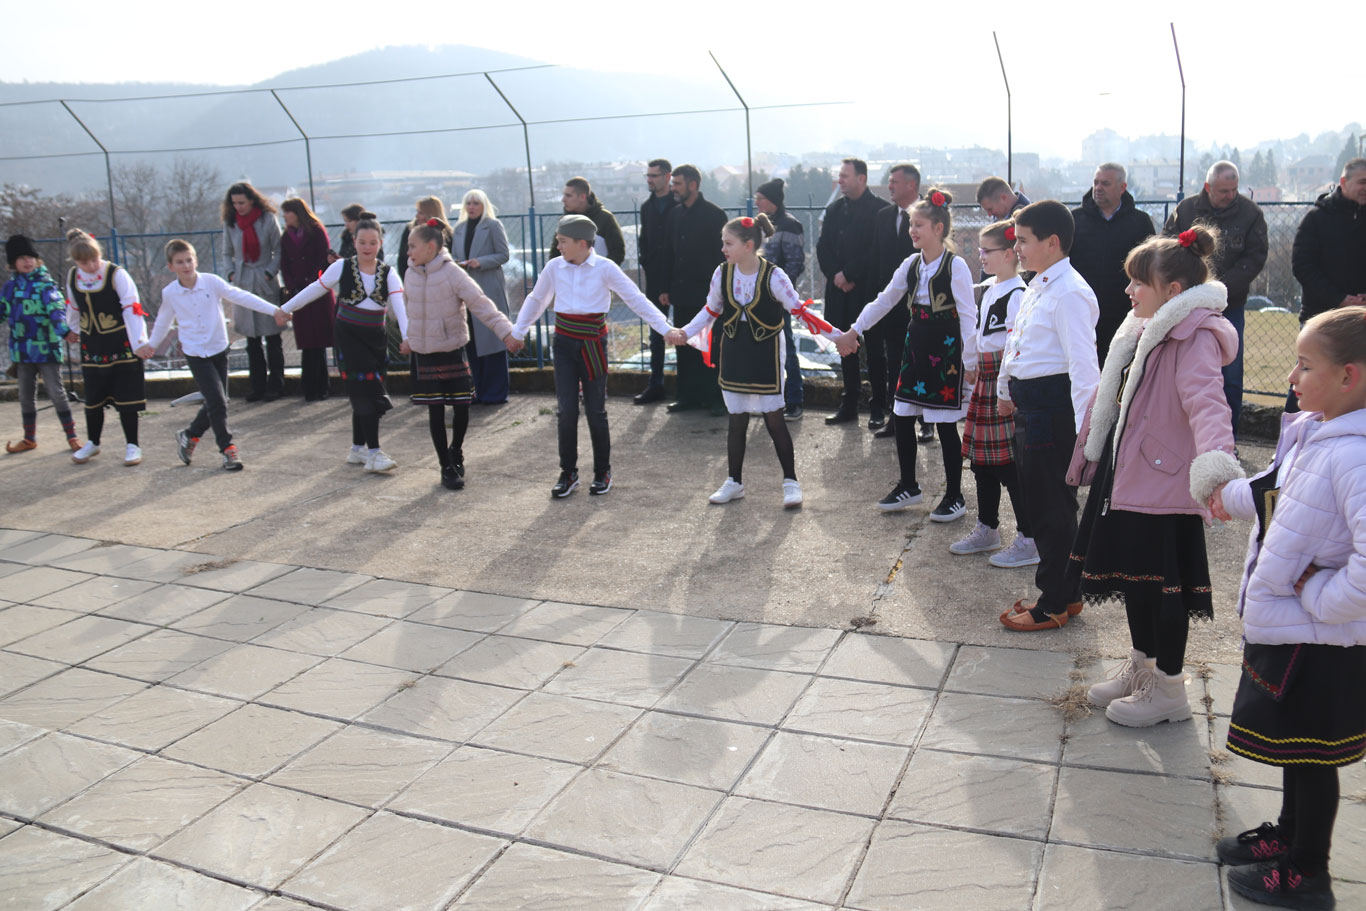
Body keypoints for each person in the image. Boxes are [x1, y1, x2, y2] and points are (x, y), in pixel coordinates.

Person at [1207, 306, 1366, 910]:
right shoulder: (1320, 432)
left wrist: (1320, 597)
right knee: (1297, 749)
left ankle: (1307, 872)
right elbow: (1276, 493)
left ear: (1348, 376)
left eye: (1304, 366)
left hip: (1322, 638)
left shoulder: (1355, 455)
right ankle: (1289, 834)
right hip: (1295, 628)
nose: (1291, 378)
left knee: (1313, 756)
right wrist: (1225, 497)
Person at [1064, 226, 1242, 723]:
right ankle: (1143, 668)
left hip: (1163, 484)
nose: (1128, 290)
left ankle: (1169, 690)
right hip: (1132, 475)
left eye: (1139, 282)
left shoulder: (1194, 337)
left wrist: (1217, 471)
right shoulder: (1144, 329)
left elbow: (1208, 404)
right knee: (1134, 581)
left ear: (1173, 291)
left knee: (1162, 589)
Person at [508, 214, 678, 497]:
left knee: (596, 411)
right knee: (566, 411)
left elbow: (635, 298)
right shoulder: (554, 267)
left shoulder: (605, 268)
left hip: (593, 344)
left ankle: (602, 472)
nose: (558, 246)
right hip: (563, 343)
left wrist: (665, 328)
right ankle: (568, 473)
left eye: (563, 241)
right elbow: (537, 299)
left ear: (582, 243)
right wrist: (518, 331)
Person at [837, 189, 976, 521]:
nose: (912, 230)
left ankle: (955, 495)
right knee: (901, 414)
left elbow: (968, 315)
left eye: (919, 225)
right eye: (912, 224)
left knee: (945, 424)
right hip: (916, 346)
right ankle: (909, 485)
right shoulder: (911, 264)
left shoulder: (955, 267)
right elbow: (885, 299)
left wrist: (970, 361)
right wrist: (855, 329)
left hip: (945, 350)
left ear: (938, 228)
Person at [995, 201, 1100, 631]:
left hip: (1053, 413)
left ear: (1052, 242)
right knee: (1043, 504)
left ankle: (1053, 602)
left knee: (1051, 509)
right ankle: (1067, 593)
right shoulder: (1040, 284)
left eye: (1023, 240)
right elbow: (1019, 342)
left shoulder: (1069, 292)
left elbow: (1083, 369)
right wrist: (1005, 388)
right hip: (1032, 409)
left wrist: (1086, 435)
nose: (1016, 248)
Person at [667, 214, 804, 508]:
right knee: (737, 419)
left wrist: (836, 336)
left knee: (774, 419)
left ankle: (791, 482)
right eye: (723, 243)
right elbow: (710, 310)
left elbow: (799, 310)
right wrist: (685, 332)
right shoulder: (722, 273)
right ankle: (734, 482)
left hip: (766, 352)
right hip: (734, 350)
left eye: (728, 243)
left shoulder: (774, 276)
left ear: (748, 245)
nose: (723, 249)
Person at [139, 239, 286, 471]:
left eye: (189, 260)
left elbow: (241, 296)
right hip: (196, 354)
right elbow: (163, 322)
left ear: (195, 261)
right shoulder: (170, 293)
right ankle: (227, 449)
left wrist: (274, 311)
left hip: (218, 349)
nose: (186, 266)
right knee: (217, 401)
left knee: (217, 401)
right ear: (171, 266)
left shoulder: (211, 282)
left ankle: (190, 435)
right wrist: (151, 345)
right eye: (180, 262)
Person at [401, 219, 521, 490]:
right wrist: (408, 338)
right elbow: (406, 309)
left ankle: (456, 449)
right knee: (434, 411)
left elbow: (481, 303)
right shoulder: (410, 273)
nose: (408, 252)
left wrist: (506, 332)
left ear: (430, 247)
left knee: (461, 406)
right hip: (424, 353)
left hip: (452, 349)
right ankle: (446, 466)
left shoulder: (453, 273)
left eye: (412, 246)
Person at [280, 217, 407, 473]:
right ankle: (374, 454)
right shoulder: (341, 266)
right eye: (362, 242)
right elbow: (315, 289)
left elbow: (400, 307)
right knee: (366, 392)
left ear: (381, 243)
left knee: (365, 392)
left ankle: (357, 448)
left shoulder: (389, 273)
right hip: (348, 338)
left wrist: (407, 336)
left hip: (376, 340)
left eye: (373, 242)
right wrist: (285, 308)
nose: (367, 247)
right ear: (354, 242)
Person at [951, 221, 1038, 568]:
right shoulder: (991, 290)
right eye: (980, 250)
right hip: (985, 380)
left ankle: (1029, 537)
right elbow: (978, 332)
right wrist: (971, 363)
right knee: (982, 463)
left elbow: (1017, 345)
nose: (981, 256)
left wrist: (1006, 387)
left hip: (1003, 383)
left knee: (1008, 465)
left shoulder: (1017, 294)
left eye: (987, 251)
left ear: (1009, 254)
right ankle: (987, 528)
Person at [1164, 160, 1268, 435]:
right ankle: (1181, 437)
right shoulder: (1186, 210)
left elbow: (1255, 257)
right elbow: (1168, 247)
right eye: (1223, 191)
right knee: (1180, 369)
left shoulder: (1250, 214)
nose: (1230, 196)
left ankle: (1227, 440)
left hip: (1229, 306)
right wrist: (1193, 286)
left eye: (1234, 189)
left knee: (1229, 374)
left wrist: (1218, 289)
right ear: (1208, 187)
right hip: (1186, 304)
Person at [1288, 157, 1366, 414]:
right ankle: (1294, 436)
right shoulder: (1317, 218)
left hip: (1361, 321)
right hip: (1320, 317)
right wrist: (1339, 299)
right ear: (1343, 182)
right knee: (1307, 384)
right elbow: (1303, 266)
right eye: (1363, 182)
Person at [63, 230, 148, 466]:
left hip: (121, 343)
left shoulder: (116, 274)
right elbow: (73, 307)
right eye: (84, 263)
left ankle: (132, 445)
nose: (90, 266)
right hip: (92, 346)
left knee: (126, 396)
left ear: (99, 254)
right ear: (76, 262)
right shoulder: (73, 276)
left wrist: (139, 343)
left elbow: (132, 308)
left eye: (94, 260)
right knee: (93, 397)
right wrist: (73, 329)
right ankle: (93, 443)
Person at [818, 158, 889, 426]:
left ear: (862, 178)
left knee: (875, 351)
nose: (840, 181)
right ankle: (848, 404)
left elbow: (876, 251)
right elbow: (822, 246)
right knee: (844, 347)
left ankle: (878, 407)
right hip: (839, 292)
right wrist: (836, 275)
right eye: (839, 176)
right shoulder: (835, 209)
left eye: (845, 176)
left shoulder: (880, 210)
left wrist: (849, 274)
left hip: (867, 291)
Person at [1069, 163, 1156, 363]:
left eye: (1105, 184)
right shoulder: (1075, 220)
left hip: (1126, 313)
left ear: (1122, 187)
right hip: (1084, 313)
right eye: (1096, 182)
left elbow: (1150, 267)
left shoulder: (1140, 222)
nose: (1098, 188)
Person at [3, 235, 80, 453]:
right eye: (21, 258)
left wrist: (64, 331)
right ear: (13, 263)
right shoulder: (9, 288)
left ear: (37, 260)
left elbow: (56, 310)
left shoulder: (46, 285)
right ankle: (29, 438)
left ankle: (72, 437)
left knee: (56, 392)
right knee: (26, 396)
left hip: (47, 350)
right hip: (22, 352)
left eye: (30, 257)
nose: (27, 261)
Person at [662, 164, 728, 415]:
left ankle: (716, 399)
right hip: (681, 293)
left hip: (708, 295)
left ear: (693, 185)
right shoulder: (674, 215)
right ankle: (687, 397)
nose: (673, 188)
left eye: (677, 184)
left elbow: (722, 256)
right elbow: (669, 253)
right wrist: (665, 288)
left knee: (712, 348)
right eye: (673, 184)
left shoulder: (714, 215)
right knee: (684, 345)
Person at [871, 164, 925, 441]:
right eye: (889, 181)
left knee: (924, 361)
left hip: (922, 304)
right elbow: (877, 258)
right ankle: (896, 419)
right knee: (895, 362)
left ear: (911, 185)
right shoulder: (883, 216)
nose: (890, 186)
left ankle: (927, 421)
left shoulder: (930, 214)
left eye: (895, 182)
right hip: (892, 306)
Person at [222, 182, 284, 402]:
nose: (238, 207)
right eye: (234, 203)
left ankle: (276, 385)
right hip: (243, 281)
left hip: (265, 281)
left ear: (252, 200)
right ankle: (257, 386)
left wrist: (269, 272)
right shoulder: (230, 223)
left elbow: (279, 249)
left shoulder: (268, 219)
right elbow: (226, 253)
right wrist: (231, 274)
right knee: (252, 340)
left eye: (242, 202)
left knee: (273, 338)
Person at [451, 190, 515, 405]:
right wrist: (459, 263)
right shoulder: (459, 229)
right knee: (473, 343)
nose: (471, 207)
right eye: (468, 203)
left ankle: (496, 393)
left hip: (489, 289)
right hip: (467, 291)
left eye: (476, 203)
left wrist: (481, 262)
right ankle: (479, 390)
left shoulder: (493, 225)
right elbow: (453, 255)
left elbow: (503, 254)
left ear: (484, 205)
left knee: (493, 340)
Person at [754, 177, 806, 421]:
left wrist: (780, 290)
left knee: (787, 349)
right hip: (756, 297)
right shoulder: (758, 225)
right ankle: (768, 401)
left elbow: (796, 263)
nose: (756, 202)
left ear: (772, 201)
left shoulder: (790, 225)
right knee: (761, 351)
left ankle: (794, 401)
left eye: (760, 198)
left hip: (777, 298)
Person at [279, 198, 334, 402]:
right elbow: (284, 264)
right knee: (307, 342)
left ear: (297, 213)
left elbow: (322, 259)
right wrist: (292, 286)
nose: (285, 216)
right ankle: (309, 387)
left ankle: (321, 386)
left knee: (318, 342)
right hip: (298, 293)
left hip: (317, 291)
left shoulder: (316, 231)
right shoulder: (286, 237)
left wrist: (312, 282)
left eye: (288, 212)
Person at [634, 159, 677, 405]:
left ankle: (690, 386)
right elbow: (645, 239)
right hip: (655, 277)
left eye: (654, 175)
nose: (650, 180)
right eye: (648, 176)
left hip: (678, 277)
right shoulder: (647, 207)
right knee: (656, 333)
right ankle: (656, 384)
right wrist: (646, 261)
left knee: (687, 331)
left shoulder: (678, 204)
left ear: (667, 177)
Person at [548, 177, 625, 265]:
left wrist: (602, 270)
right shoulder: (565, 221)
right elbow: (555, 252)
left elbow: (617, 251)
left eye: (568, 196)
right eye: (564, 195)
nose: (563, 200)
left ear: (582, 197)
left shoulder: (605, 219)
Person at [397, 197, 452, 282]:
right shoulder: (409, 230)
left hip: (439, 280)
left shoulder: (446, 234)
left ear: (430, 214)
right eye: (417, 212)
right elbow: (402, 259)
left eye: (421, 213)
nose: (417, 216)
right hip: (414, 279)